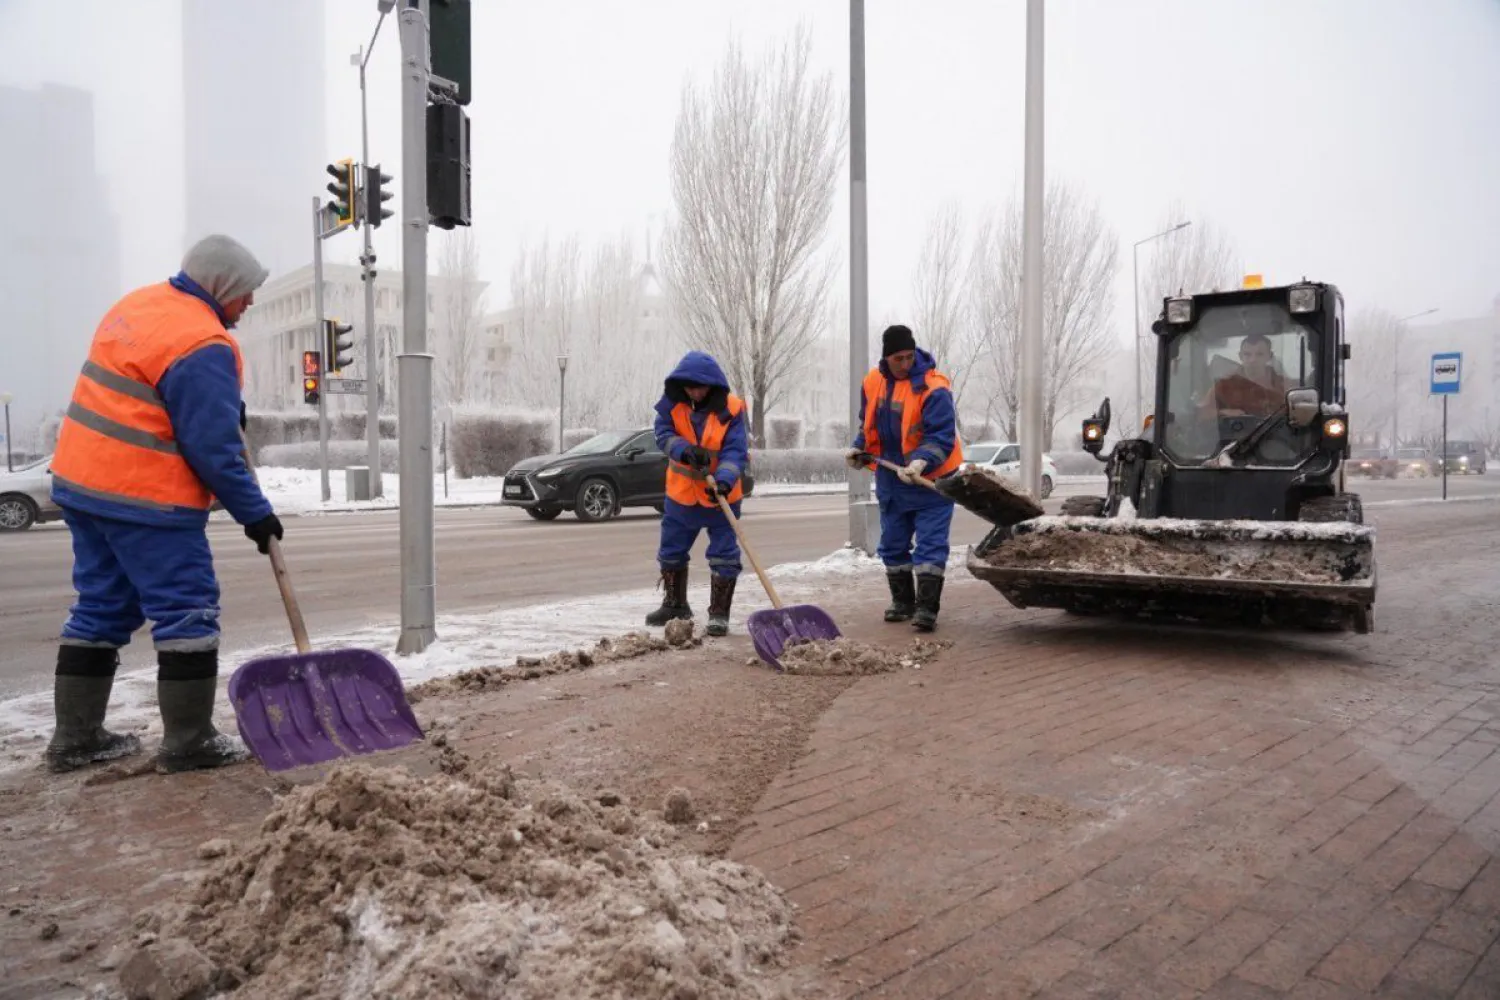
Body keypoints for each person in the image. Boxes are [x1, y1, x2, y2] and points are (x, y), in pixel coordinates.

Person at [44, 234, 283, 775]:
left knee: (103, 605)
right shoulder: (202, 340)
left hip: (83, 483)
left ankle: (74, 739)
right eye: (244, 292)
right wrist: (256, 514)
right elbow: (215, 451)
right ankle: (190, 741)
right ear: (220, 285)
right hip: (144, 496)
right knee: (187, 608)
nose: (248, 303)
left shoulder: (140, 305)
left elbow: (147, 394)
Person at [845, 324, 963, 631]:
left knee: (930, 546)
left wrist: (922, 460)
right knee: (893, 544)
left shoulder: (934, 387)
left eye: (910, 357)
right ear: (887, 357)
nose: (905, 364)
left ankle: (926, 608)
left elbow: (941, 435)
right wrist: (859, 448)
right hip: (891, 478)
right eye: (898, 358)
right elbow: (867, 424)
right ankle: (902, 602)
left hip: (932, 482)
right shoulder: (873, 382)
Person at [645, 351, 749, 637]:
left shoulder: (733, 409)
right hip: (681, 496)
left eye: (700, 386)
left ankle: (719, 614)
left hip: (721, 496)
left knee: (725, 555)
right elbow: (663, 435)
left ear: (712, 384)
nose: (695, 392)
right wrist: (685, 450)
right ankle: (675, 604)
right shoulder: (672, 405)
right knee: (670, 551)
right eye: (689, 387)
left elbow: (736, 450)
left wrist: (725, 481)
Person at [1210, 332, 1290, 417]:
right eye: (1247, 354)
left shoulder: (1285, 386)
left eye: (1259, 354)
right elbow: (1201, 413)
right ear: (1240, 356)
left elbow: (1299, 411)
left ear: (1270, 356)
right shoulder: (1224, 386)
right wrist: (1222, 413)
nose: (1253, 360)